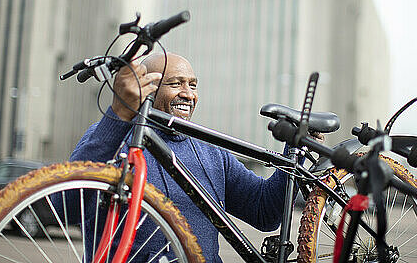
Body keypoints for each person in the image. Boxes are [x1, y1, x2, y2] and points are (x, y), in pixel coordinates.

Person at [70, 53, 296, 262]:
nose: (188, 94)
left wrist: (295, 152)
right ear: (145, 88)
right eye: (175, 83)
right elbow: (67, 207)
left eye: (193, 85)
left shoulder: (211, 151)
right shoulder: (113, 135)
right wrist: (117, 117)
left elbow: (264, 212)